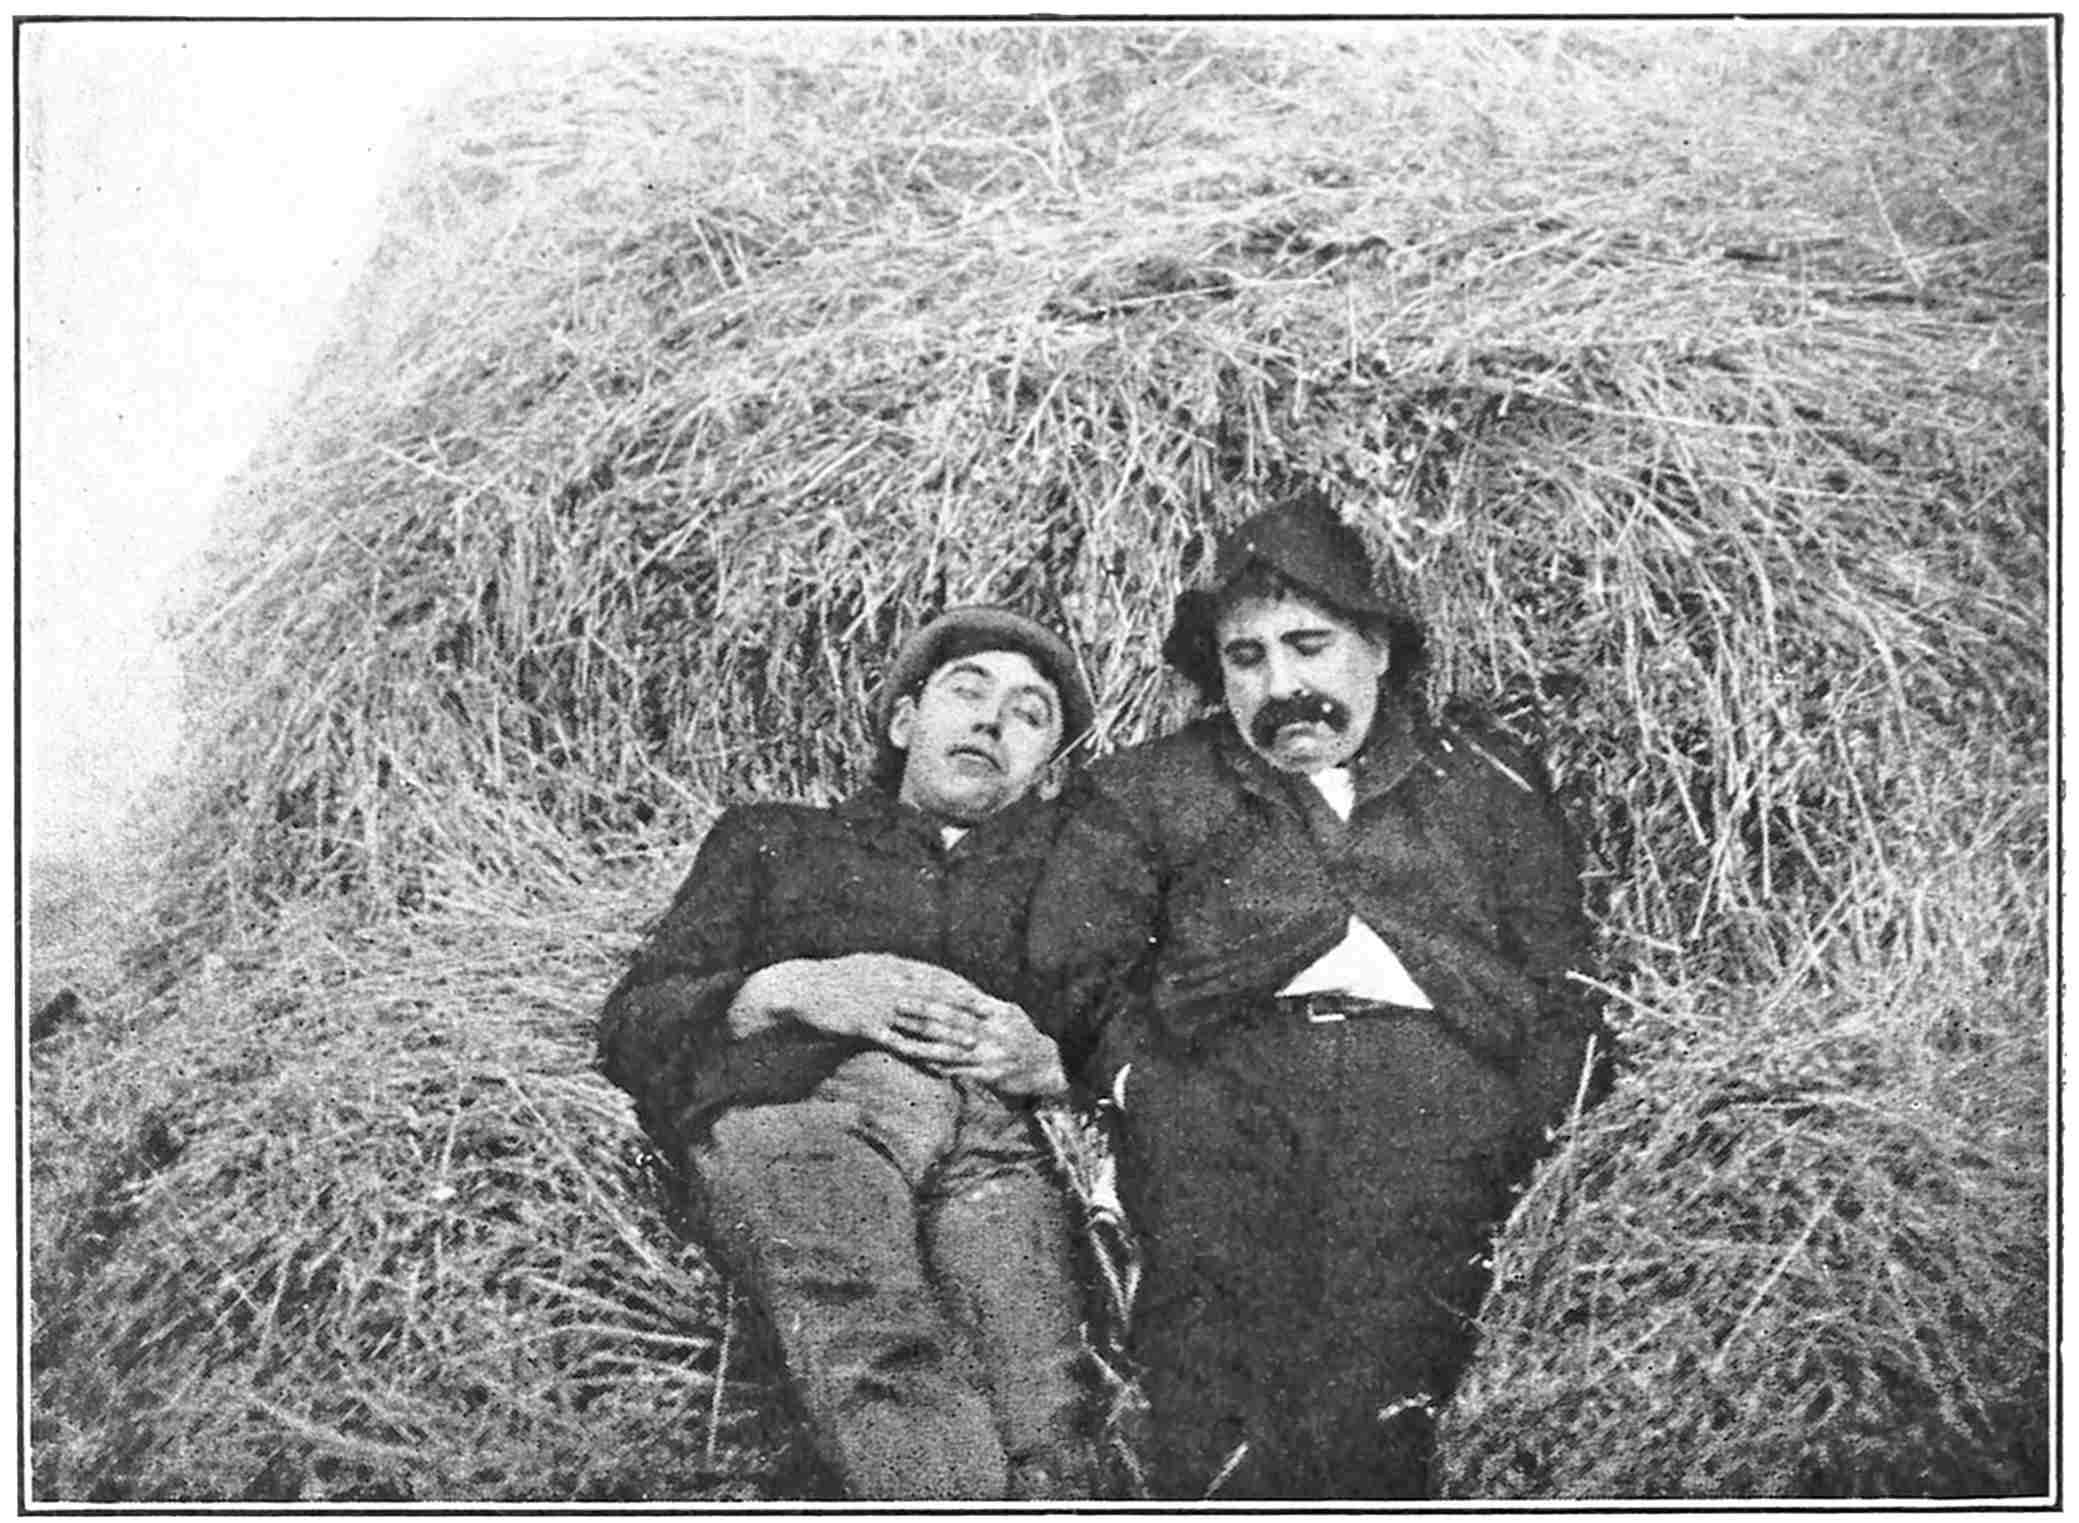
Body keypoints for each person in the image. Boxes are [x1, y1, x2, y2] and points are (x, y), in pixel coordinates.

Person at [1028, 490, 1612, 1500]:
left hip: (1436, 1103)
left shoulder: (1483, 780)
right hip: (1223, 1098)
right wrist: (1150, 1090)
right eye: (1246, 658)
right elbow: (1074, 972)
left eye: (1310, 645)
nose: (1282, 685)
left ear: (1377, 648)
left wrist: (1530, 1122)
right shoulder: (1148, 789)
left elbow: (1565, 984)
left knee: (1391, 1390)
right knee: (1216, 1399)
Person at [597, 606, 1105, 1501]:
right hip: (814, 1104)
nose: (992, 720)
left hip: (994, 1142)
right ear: (905, 721)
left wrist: (1050, 1064)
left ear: (1043, 773)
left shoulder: (1071, 887)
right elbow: (636, 1018)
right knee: (879, 1345)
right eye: (968, 691)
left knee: (1049, 1408)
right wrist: (793, 987)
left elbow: (1146, 1036)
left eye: (1029, 714)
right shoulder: (776, 837)